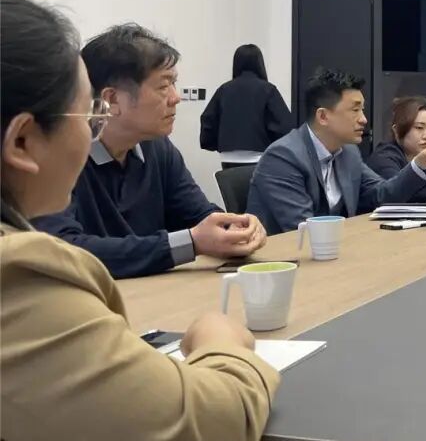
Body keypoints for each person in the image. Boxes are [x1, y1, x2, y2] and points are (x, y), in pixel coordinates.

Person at [0, 0, 280, 441]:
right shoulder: (15, 281)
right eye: (85, 114)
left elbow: (196, 216)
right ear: (22, 142)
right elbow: (208, 432)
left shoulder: (158, 153)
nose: (92, 130)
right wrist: (222, 343)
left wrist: (225, 231)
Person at [33, 24, 267, 279]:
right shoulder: (58, 156)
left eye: (174, 84)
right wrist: (190, 243)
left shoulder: (157, 147)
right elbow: (63, 250)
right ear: (112, 100)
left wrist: (233, 228)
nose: (176, 98)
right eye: (163, 86)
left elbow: (196, 215)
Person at [247, 69, 426, 235]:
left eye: (362, 109)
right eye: (355, 110)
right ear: (323, 116)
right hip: (287, 264)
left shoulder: (348, 153)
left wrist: (419, 164)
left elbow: (382, 195)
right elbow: (304, 230)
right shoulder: (283, 157)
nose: (363, 119)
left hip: (332, 255)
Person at [200, 44, 292, 169]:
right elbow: (284, 126)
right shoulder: (268, 90)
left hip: (228, 158)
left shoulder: (224, 89)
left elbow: (208, 122)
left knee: (230, 183)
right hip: (260, 158)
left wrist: (218, 143)